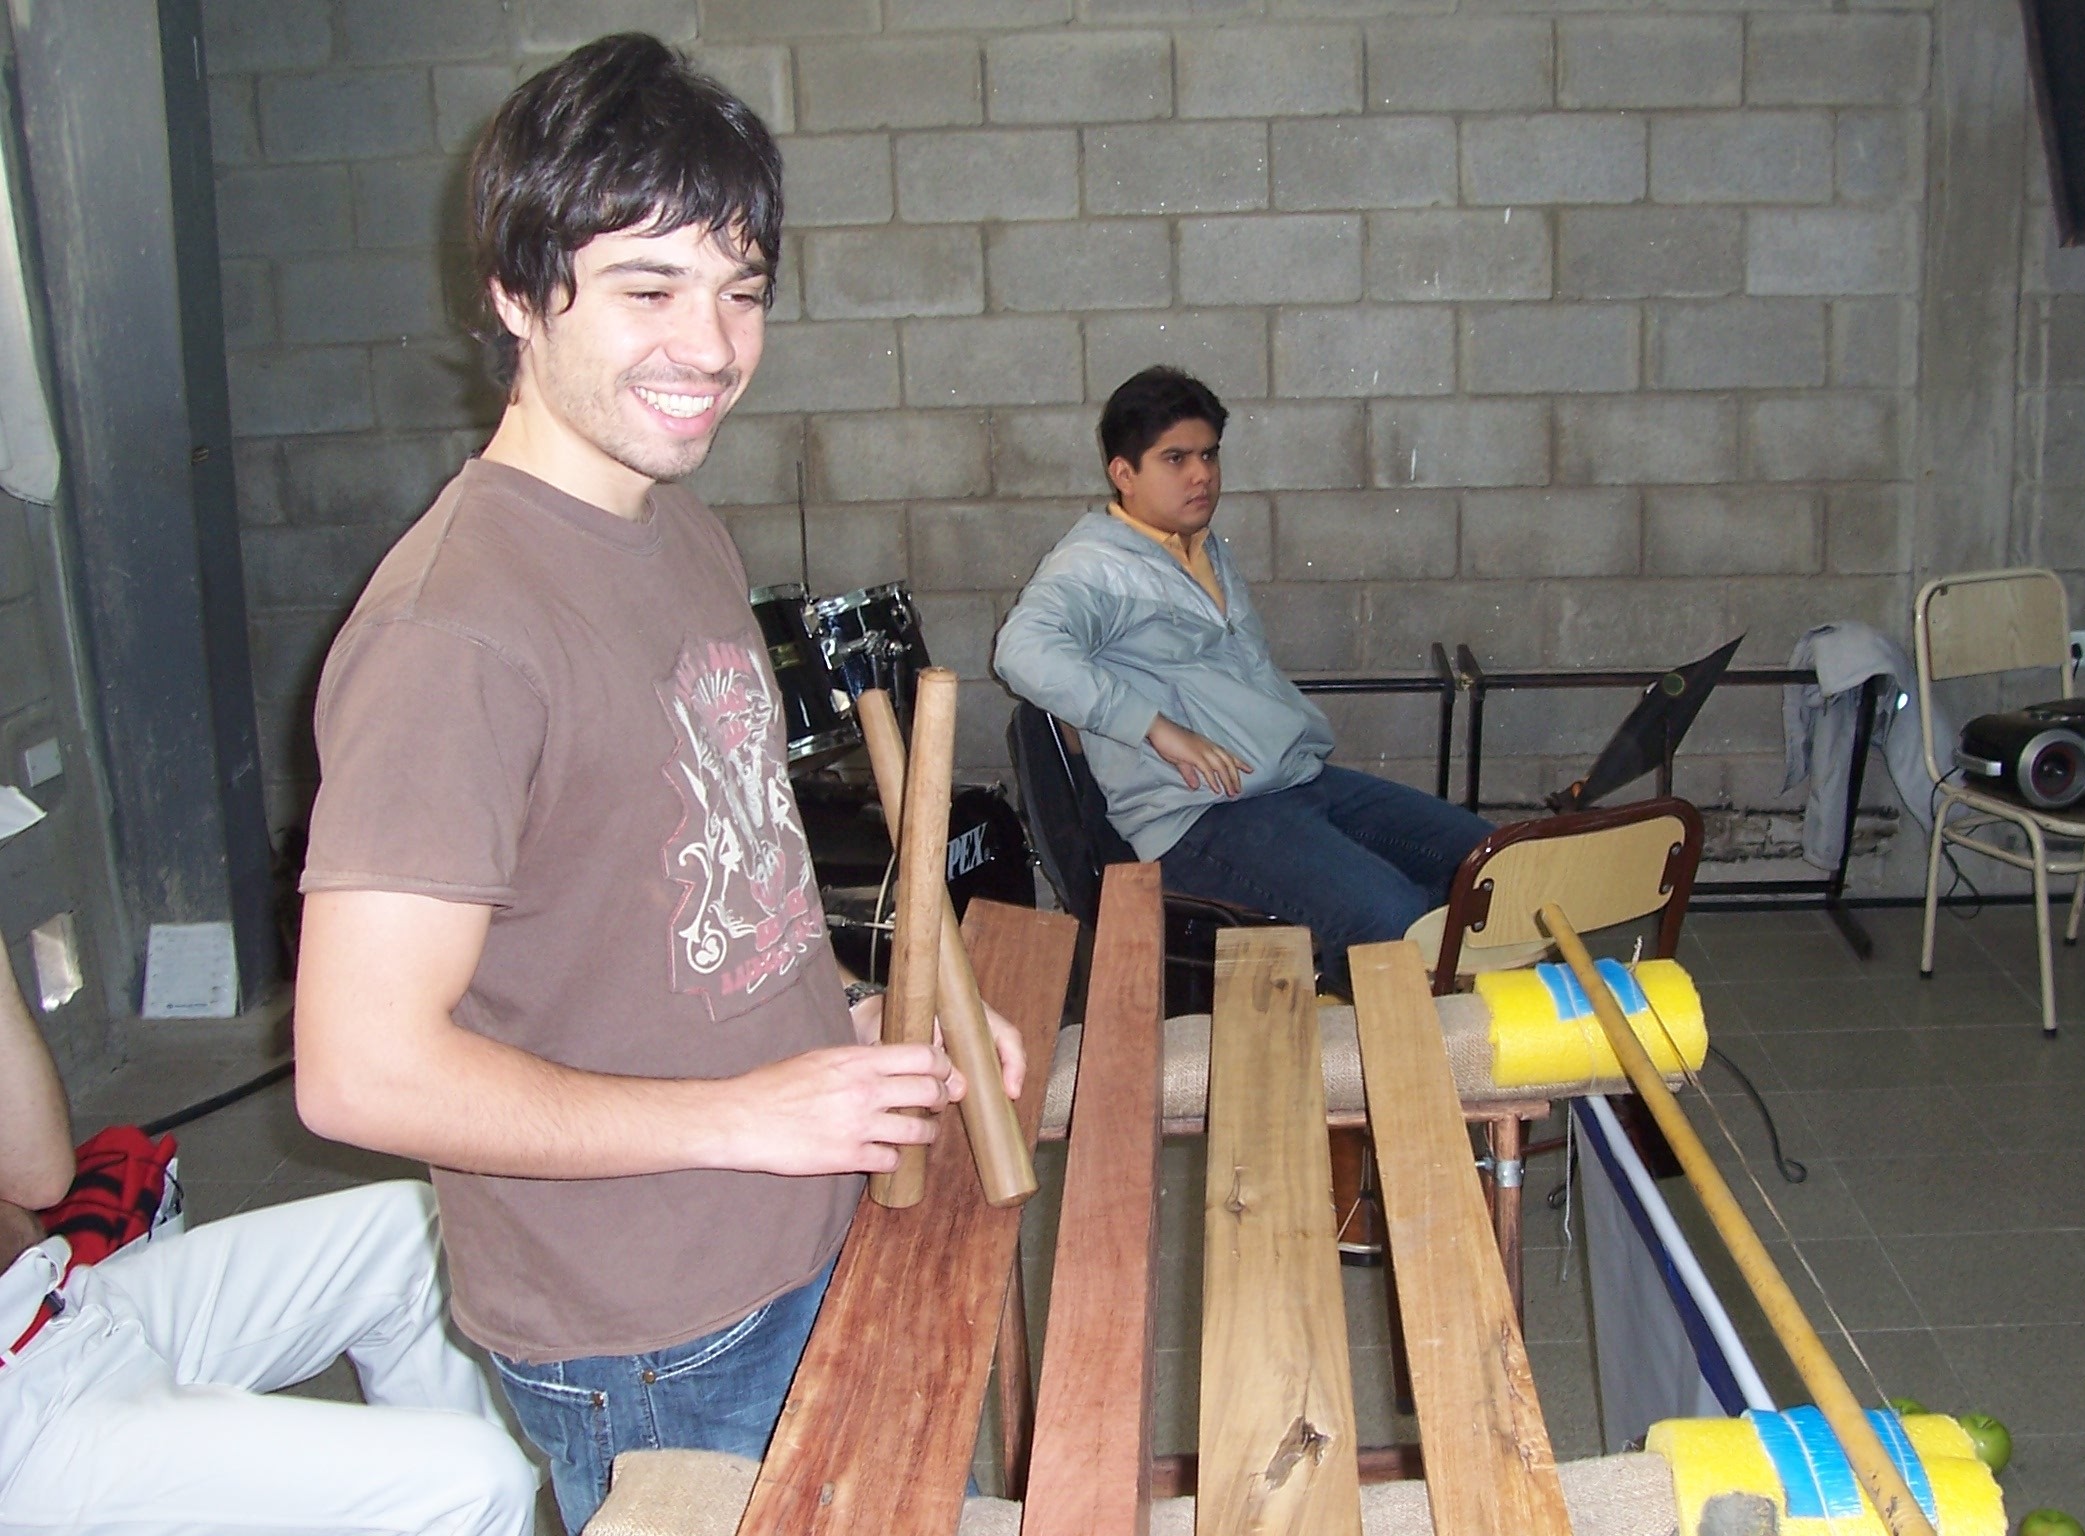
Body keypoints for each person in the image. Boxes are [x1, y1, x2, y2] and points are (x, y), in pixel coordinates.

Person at [290, 35, 1020, 1533]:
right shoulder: (453, 633)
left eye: (739, 290)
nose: (710, 345)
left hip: (795, 1223)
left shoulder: (679, 529)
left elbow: (724, 883)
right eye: (646, 288)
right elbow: (360, 1068)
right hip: (652, 1327)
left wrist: (871, 1019)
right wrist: (747, 1118)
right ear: (514, 292)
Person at [0, 944, 536, 1535]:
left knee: (410, 1230)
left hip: (55, 1305)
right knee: (478, 1485)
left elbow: (39, 1176)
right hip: (25, 1423)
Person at [993, 366, 1495, 984]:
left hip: (1292, 781)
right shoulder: (1096, 566)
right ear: (1123, 474)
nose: (1201, 474)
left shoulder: (1200, 545)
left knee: (1488, 864)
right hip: (1200, 817)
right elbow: (1021, 648)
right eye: (1174, 458)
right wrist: (1154, 727)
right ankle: (1387, 1049)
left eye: (1208, 454)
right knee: (1389, 917)